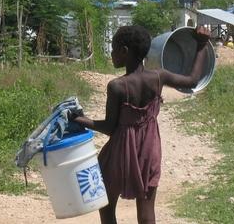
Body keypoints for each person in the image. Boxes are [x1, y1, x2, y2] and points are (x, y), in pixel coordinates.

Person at [72, 25, 211, 224]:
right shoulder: (159, 77)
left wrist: (80, 119)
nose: (111, 54)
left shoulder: (117, 86)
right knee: (146, 210)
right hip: (149, 149)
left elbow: (110, 128)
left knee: (107, 206)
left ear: (124, 51)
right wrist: (201, 45)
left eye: (113, 49)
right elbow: (192, 80)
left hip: (121, 152)